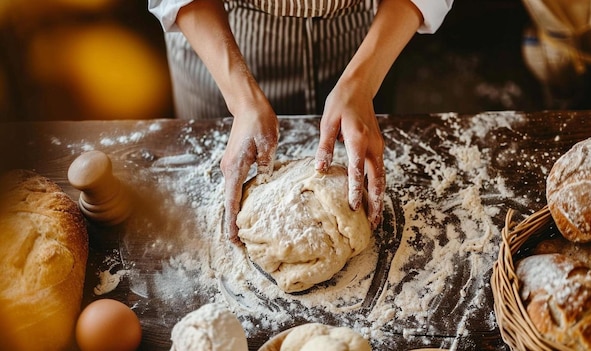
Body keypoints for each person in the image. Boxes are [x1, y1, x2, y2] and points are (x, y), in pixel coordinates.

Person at [148, 0, 453, 243]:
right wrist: (241, 99)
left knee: (360, 156)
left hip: (363, 42)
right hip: (222, 39)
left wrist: (362, 81)